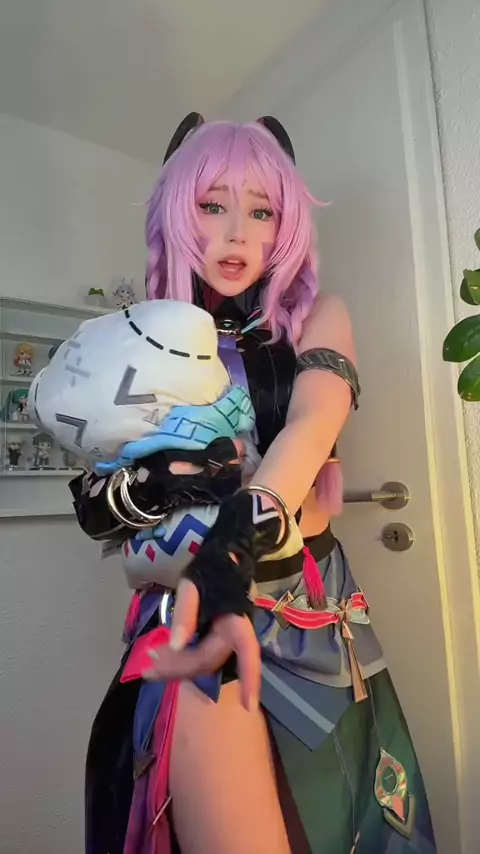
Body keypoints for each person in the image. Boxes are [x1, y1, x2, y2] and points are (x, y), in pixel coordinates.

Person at [64, 115, 436, 853]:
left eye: (262, 211)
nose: (238, 232)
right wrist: (147, 491)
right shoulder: (135, 334)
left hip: (307, 604)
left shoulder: (317, 316)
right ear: (176, 212)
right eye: (213, 205)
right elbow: (96, 503)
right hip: (192, 601)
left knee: (338, 814)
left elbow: (315, 420)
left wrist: (240, 526)